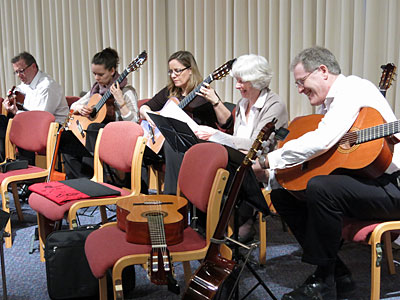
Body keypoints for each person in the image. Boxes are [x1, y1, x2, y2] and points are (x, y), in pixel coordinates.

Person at [259, 46, 400, 300]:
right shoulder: (330, 106)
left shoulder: (354, 90)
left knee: (320, 188)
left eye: (301, 82)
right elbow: (328, 150)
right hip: (368, 182)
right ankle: (339, 275)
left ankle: (324, 281)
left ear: (322, 71)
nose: (300, 89)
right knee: (285, 195)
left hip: (393, 187)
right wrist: (275, 175)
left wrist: (269, 161)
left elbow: (321, 141)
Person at [194, 54, 288, 242]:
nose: (237, 86)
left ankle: (242, 222)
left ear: (258, 80)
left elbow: (258, 145)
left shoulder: (274, 105)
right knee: (206, 162)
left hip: (264, 162)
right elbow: (239, 141)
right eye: (237, 81)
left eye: (242, 81)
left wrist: (218, 136)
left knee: (237, 168)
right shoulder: (242, 103)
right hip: (241, 157)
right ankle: (209, 221)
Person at [139, 50, 227, 195]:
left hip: (197, 142)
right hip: (170, 141)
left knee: (171, 143)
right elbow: (145, 106)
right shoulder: (170, 91)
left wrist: (215, 101)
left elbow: (225, 124)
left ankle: (172, 199)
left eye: (178, 71)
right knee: (139, 144)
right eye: (171, 72)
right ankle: (140, 195)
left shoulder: (204, 93)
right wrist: (148, 114)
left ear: (190, 70)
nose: (173, 75)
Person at [60, 47, 139, 180]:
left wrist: (121, 101)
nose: (96, 78)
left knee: (93, 129)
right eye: (94, 74)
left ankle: (92, 180)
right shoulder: (97, 90)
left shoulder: (126, 91)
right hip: (95, 138)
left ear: (112, 70)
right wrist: (80, 108)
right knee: (67, 137)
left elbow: (134, 123)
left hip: (118, 138)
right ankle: (78, 181)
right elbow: (73, 106)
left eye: (100, 74)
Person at [1, 51, 69, 163]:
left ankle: (25, 167)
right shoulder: (28, 82)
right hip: (33, 124)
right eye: (16, 72)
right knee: (2, 123)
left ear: (33, 67)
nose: (19, 75)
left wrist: (16, 112)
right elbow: (20, 89)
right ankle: (9, 163)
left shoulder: (47, 86)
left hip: (54, 130)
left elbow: (39, 120)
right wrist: (11, 97)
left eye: (21, 71)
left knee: (17, 126)